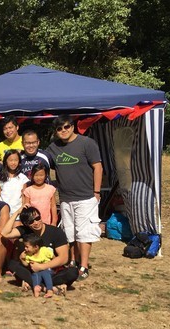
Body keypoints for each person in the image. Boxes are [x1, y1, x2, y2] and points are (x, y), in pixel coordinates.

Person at [46, 115, 102, 280]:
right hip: (65, 198)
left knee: (84, 233)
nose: (63, 130)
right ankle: (72, 261)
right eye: (59, 128)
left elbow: (98, 167)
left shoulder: (87, 143)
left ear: (73, 126)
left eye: (66, 127)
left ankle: (83, 266)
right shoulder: (53, 147)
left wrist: (96, 192)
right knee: (69, 232)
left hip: (85, 197)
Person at [2, 206, 79, 294]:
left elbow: (64, 258)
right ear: (26, 224)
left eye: (37, 218)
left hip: (52, 271)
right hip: (32, 271)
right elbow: (5, 233)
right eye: (31, 221)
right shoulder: (25, 230)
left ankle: (34, 284)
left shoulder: (56, 232)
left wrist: (41, 267)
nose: (36, 223)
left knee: (73, 272)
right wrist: (17, 213)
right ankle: (47, 287)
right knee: (12, 264)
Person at [20, 234, 55, 298]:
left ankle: (49, 290)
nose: (25, 248)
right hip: (37, 271)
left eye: (27, 247)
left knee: (45, 273)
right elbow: (26, 264)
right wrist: (22, 259)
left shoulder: (44, 250)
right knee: (35, 274)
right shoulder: (28, 255)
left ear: (36, 247)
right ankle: (36, 287)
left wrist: (50, 264)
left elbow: (54, 258)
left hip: (47, 270)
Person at [0, 149, 29, 214]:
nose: (13, 163)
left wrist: (23, 210)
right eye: (10, 160)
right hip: (3, 213)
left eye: (16, 160)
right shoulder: (0, 178)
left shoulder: (23, 178)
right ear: (6, 162)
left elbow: (24, 197)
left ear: (19, 161)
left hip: (18, 213)